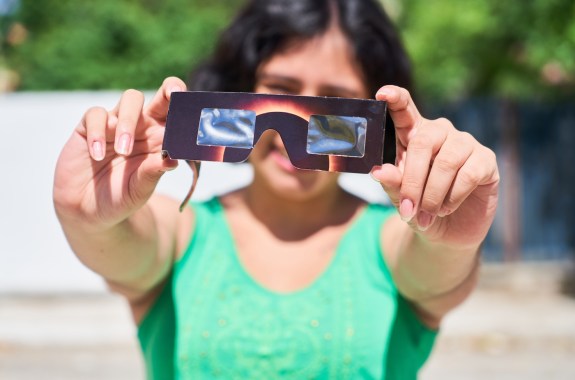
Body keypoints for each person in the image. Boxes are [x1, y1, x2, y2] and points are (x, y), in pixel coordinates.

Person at [53, 0, 499, 378]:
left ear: (374, 120)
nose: (299, 130)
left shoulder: (396, 236)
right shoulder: (184, 232)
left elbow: (439, 265)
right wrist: (86, 217)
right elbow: (121, 244)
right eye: (279, 92)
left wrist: (452, 235)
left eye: (329, 106)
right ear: (238, 92)